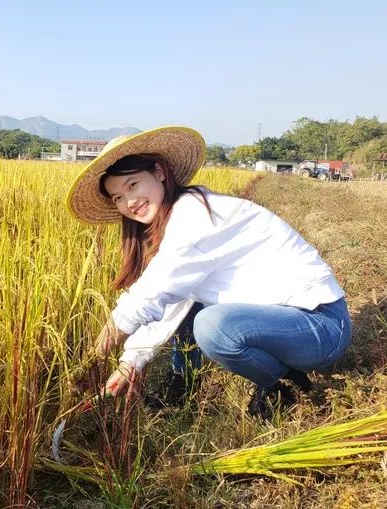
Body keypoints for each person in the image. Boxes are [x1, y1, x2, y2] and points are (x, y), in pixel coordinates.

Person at [67, 127, 352, 419]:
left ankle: (280, 385)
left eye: (132, 185)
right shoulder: (177, 223)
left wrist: (94, 357)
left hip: (322, 326)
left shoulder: (195, 217)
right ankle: (184, 382)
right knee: (193, 310)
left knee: (212, 326)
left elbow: (151, 294)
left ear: (159, 172)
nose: (129, 202)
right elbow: (170, 301)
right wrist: (131, 362)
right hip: (288, 322)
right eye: (117, 197)